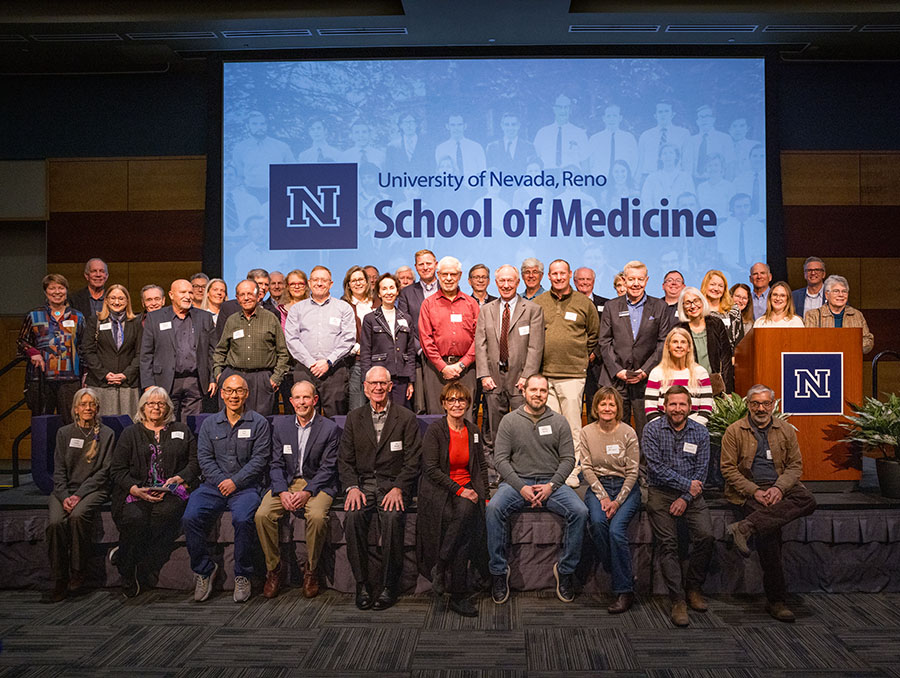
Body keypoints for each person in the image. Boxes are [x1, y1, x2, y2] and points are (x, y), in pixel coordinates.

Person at [487, 373, 588, 604]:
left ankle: (565, 571)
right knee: (493, 509)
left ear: (547, 393)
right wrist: (521, 487)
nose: (538, 395)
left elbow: (568, 459)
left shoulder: (559, 421)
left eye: (543, 391)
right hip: (516, 482)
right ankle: (499, 572)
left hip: (550, 483)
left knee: (580, 512)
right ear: (524, 391)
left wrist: (552, 486)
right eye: (533, 390)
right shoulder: (510, 421)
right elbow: (500, 460)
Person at [721, 384, 817, 622]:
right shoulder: (734, 430)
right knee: (770, 533)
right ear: (748, 405)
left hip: (779, 485)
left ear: (773, 405)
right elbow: (728, 469)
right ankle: (777, 600)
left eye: (765, 403)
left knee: (808, 499)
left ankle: (745, 527)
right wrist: (755, 491)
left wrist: (779, 488)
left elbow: (795, 466)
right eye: (755, 403)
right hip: (749, 489)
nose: (761, 408)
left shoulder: (785, 429)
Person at [339, 366, 422, 611]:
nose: (377, 388)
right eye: (373, 384)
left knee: (393, 518)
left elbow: (413, 460)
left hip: (392, 485)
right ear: (364, 388)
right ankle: (362, 584)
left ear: (389, 387)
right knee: (352, 518)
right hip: (363, 485)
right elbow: (344, 460)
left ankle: (389, 585)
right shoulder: (354, 418)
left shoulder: (406, 418)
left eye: (382, 383)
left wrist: (399, 487)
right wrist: (352, 487)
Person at [183, 374, 270, 603]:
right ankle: (203, 569)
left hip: (246, 487)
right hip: (212, 486)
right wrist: (222, 480)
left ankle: (242, 575)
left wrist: (236, 482)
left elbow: (260, 460)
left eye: (239, 391)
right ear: (221, 394)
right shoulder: (210, 424)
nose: (234, 395)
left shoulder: (258, 423)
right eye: (229, 391)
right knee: (190, 516)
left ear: (247, 393)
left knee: (243, 519)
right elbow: (204, 458)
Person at [108, 386, 199, 598]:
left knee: (164, 515)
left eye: (161, 403)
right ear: (143, 407)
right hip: (137, 491)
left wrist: (179, 478)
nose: (156, 407)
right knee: (135, 518)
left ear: (168, 407)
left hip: (171, 492)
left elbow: (195, 463)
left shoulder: (181, 430)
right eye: (151, 403)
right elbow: (117, 470)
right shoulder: (131, 433)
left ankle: (125, 558)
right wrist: (135, 489)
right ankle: (129, 571)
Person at [254, 380, 341, 599]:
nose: (302, 402)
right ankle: (274, 570)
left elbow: (328, 468)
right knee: (262, 514)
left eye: (306, 397)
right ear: (291, 401)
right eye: (297, 398)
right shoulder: (281, 426)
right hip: (286, 482)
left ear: (315, 400)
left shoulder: (329, 428)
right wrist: (282, 491)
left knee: (318, 516)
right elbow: (275, 464)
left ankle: (311, 571)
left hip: (317, 483)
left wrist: (307, 492)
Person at [642, 385, 713, 627]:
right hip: (660, 493)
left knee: (706, 535)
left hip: (691, 496)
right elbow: (656, 468)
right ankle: (677, 600)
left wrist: (685, 497)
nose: (677, 409)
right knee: (668, 543)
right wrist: (685, 486)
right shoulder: (651, 429)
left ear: (690, 407)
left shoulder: (700, 432)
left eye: (682, 404)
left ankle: (693, 587)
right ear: (664, 406)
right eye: (673, 404)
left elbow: (702, 471)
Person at [417, 382, 489, 617]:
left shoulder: (474, 431)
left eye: (461, 400)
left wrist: (484, 496)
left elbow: (481, 466)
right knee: (464, 520)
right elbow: (430, 469)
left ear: (468, 404)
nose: (457, 404)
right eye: (452, 400)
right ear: (444, 404)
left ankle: (442, 563)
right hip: (440, 489)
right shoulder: (435, 431)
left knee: (468, 513)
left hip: (468, 488)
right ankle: (458, 594)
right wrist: (460, 490)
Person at [475, 265, 545, 480]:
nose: (506, 285)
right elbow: (481, 344)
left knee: (522, 427)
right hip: (493, 379)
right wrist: (484, 375)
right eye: (502, 281)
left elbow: (536, 347)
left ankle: (521, 472)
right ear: (496, 283)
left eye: (510, 281)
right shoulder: (486, 310)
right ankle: (497, 473)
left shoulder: (532, 309)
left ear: (517, 283)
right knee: (494, 430)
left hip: (520, 380)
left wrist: (527, 377)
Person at [535, 259, 600, 486]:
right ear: (549, 277)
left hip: (573, 374)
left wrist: (583, 357)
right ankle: (554, 470)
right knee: (550, 426)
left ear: (569, 274)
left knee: (572, 425)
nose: (559, 277)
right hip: (545, 374)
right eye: (554, 274)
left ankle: (572, 470)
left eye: (562, 273)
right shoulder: (539, 302)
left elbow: (594, 335)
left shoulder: (584, 303)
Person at [46, 387, 114, 601]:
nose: (87, 408)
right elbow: (58, 469)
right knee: (55, 523)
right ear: (75, 408)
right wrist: (65, 494)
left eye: (91, 404)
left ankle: (78, 570)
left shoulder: (106, 434)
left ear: (97, 408)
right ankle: (59, 579)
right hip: (64, 490)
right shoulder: (64, 433)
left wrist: (79, 495)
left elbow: (105, 471)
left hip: (93, 489)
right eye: (83, 404)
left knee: (77, 516)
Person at [580, 387, 641, 613]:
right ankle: (618, 569)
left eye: (612, 404)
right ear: (595, 407)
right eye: (603, 404)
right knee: (597, 523)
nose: (607, 408)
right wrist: (604, 496)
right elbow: (586, 467)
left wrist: (617, 501)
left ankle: (625, 591)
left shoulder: (628, 432)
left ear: (618, 408)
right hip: (599, 487)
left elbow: (633, 473)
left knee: (616, 531)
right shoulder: (587, 432)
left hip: (627, 488)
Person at [597, 260, 671, 438]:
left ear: (647, 280)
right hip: (616, 380)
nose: (636, 284)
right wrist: (618, 371)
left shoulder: (660, 307)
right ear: (624, 280)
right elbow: (604, 341)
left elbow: (663, 343)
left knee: (645, 430)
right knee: (615, 430)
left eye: (640, 279)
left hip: (646, 380)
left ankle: (643, 466)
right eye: (631, 279)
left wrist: (645, 371)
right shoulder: (611, 306)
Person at [140, 279, 217, 421]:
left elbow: (213, 351)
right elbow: (146, 354)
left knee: (193, 425)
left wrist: (212, 378)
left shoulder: (204, 317)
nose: (188, 296)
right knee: (167, 423)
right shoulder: (155, 318)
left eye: (190, 292)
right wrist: (148, 384)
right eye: (183, 292)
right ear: (171, 295)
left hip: (196, 381)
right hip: (165, 381)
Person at [285, 265, 356, 416]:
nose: (319, 283)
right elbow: (292, 339)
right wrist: (311, 363)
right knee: (305, 417)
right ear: (309, 283)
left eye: (323, 280)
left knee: (336, 418)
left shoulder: (344, 308)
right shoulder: (297, 309)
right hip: (304, 370)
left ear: (331, 284)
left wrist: (328, 361)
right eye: (315, 280)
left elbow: (349, 339)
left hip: (334, 371)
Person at [213, 279, 289, 416]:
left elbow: (283, 353)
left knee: (261, 420)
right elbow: (220, 351)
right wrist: (219, 375)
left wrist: (275, 378)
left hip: (262, 379)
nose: (246, 298)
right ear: (237, 298)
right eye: (242, 295)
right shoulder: (232, 320)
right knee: (231, 419)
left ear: (258, 295)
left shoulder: (270, 318)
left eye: (250, 293)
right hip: (233, 376)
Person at [18, 274, 85, 423]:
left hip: (70, 379)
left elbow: (83, 347)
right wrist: (33, 353)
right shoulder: (34, 315)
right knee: (42, 424)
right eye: (52, 288)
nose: (57, 292)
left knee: (71, 422)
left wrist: (85, 373)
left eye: (61, 288)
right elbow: (22, 341)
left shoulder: (77, 317)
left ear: (66, 291)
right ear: (45, 292)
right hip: (41, 378)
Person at [418, 256, 480, 414]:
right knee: (437, 415)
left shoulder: (471, 304)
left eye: (453, 274)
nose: (448, 278)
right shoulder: (428, 304)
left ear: (460, 276)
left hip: (466, 369)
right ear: (438, 275)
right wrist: (442, 366)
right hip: (436, 370)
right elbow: (426, 340)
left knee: (466, 415)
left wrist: (462, 364)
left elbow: (479, 338)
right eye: (444, 274)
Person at [82, 284, 142, 417]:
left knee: (128, 426)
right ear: (106, 300)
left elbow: (140, 353)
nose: (117, 302)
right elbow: (87, 351)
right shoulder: (95, 321)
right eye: (113, 298)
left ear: (127, 301)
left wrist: (126, 374)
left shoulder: (136, 323)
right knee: (102, 426)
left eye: (121, 298)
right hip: (101, 383)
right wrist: (104, 374)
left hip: (128, 384)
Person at [360, 273, 416, 407]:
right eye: (384, 289)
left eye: (392, 288)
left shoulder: (406, 318)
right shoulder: (370, 319)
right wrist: (366, 382)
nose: (388, 292)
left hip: (401, 377)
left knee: (400, 416)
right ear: (379, 293)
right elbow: (366, 352)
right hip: (378, 378)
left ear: (397, 291)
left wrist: (411, 381)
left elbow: (411, 352)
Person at [644, 328, 714, 425]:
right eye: (675, 342)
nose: (679, 346)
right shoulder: (656, 373)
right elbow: (650, 409)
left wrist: (691, 429)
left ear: (689, 347)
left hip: (694, 429)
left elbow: (706, 408)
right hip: (663, 429)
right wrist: (665, 429)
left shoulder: (700, 373)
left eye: (683, 342)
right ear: (668, 346)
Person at [398, 249, 439, 411]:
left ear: (436, 264)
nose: (425, 267)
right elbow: (404, 325)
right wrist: (422, 349)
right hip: (418, 356)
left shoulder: (447, 288)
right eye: (421, 264)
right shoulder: (407, 293)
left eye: (429, 263)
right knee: (421, 407)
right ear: (416, 267)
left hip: (444, 356)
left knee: (441, 404)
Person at [675, 287, 734, 395]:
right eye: (688, 303)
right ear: (682, 307)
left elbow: (726, 359)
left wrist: (728, 391)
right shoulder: (679, 330)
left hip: (716, 386)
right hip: (690, 387)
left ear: (702, 301)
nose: (693, 306)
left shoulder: (716, 324)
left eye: (696, 301)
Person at [231, 110, 294, 203]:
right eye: (255, 124)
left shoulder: (281, 146)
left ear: (266, 126)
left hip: (277, 192)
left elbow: (292, 170)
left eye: (262, 124)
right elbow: (239, 175)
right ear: (248, 126)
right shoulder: (240, 148)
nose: (259, 127)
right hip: (250, 193)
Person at [804, 275, 874, 354]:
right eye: (836, 291)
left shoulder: (856, 315)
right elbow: (810, 341)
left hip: (851, 360)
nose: (841, 295)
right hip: (823, 362)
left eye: (844, 291)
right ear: (827, 295)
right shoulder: (813, 315)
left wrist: (849, 346)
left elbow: (868, 341)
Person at [342, 265, 378, 411]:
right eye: (354, 280)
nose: (358, 283)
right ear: (348, 285)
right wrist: (358, 349)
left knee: (378, 405)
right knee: (357, 407)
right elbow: (340, 334)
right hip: (356, 362)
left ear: (367, 281)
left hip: (378, 362)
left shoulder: (378, 302)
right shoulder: (343, 305)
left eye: (361, 279)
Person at [636, 100, 690, 180]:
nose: (663, 114)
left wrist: (686, 178)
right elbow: (640, 160)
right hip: (649, 177)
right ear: (655, 115)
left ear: (672, 114)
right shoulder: (645, 135)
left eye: (666, 111)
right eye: (660, 112)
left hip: (674, 177)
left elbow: (687, 160)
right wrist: (637, 178)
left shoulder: (683, 134)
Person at [533, 94, 588, 169]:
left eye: (566, 107)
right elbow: (536, 158)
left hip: (571, 177)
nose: (563, 111)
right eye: (560, 107)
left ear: (570, 110)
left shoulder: (579, 133)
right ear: (554, 109)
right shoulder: (542, 133)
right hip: (548, 176)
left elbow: (585, 161)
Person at [682, 105, 735, 184]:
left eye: (707, 116)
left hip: (717, 181)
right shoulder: (690, 140)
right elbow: (686, 165)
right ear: (697, 121)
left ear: (713, 119)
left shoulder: (724, 138)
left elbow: (730, 164)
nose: (704, 120)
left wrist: (726, 184)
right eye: (701, 117)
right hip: (694, 182)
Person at [587, 104, 638, 180]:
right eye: (608, 116)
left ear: (620, 118)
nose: (612, 119)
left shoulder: (629, 138)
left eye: (615, 116)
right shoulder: (595, 139)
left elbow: (634, 161)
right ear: (604, 118)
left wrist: (629, 178)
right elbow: (589, 162)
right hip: (600, 180)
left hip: (622, 181)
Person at [640, 144, 694, 209]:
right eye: (664, 153)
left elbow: (691, 199)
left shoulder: (686, 177)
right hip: (658, 216)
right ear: (660, 157)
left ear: (676, 156)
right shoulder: (651, 178)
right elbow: (646, 200)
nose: (668, 156)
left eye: (671, 153)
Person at [701, 270, 745, 350]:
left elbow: (739, 338)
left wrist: (735, 357)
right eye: (712, 284)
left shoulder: (733, 310)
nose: (716, 288)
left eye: (720, 286)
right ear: (705, 286)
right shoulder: (698, 309)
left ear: (724, 289)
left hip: (729, 359)